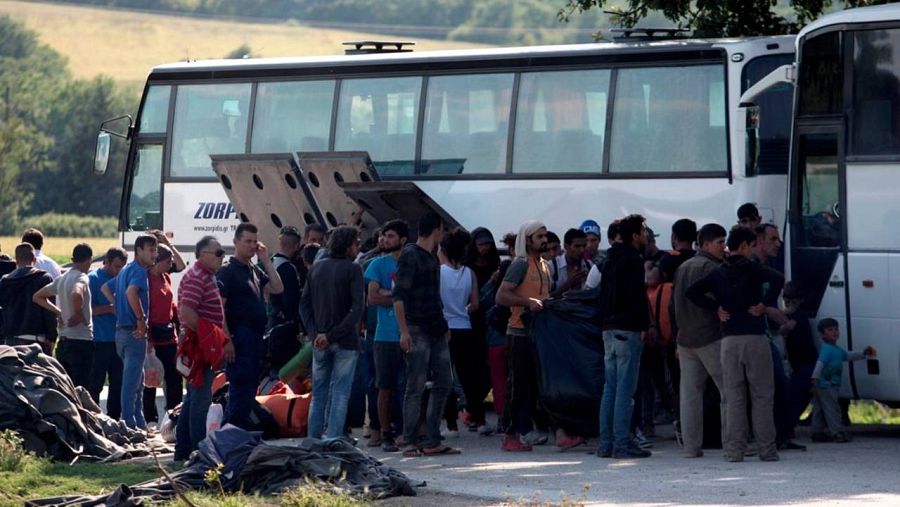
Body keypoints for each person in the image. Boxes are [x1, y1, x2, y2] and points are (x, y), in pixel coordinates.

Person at [686, 226, 782, 462]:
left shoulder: (719, 272)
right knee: (761, 395)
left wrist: (715, 308)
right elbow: (778, 279)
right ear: (744, 246)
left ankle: (734, 450)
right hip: (755, 338)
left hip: (729, 340)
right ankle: (766, 449)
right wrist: (764, 303)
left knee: (734, 396)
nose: (752, 250)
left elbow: (693, 292)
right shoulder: (753, 268)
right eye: (751, 246)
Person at [394, 211, 460, 457]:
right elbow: (399, 295)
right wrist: (403, 331)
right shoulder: (411, 255)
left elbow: (433, 296)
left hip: (435, 327)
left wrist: (443, 325)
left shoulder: (431, 257)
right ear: (436, 231)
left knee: (444, 382)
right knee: (416, 384)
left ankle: (432, 439)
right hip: (418, 328)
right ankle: (410, 439)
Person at [216, 223, 284, 430]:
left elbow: (277, 287)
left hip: (255, 336)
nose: (252, 245)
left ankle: (238, 436)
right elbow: (219, 309)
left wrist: (265, 259)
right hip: (239, 335)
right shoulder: (227, 271)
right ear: (236, 242)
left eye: (255, 241)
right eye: (247, 241)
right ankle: (229, 437)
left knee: (249, 389)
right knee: (239, 389)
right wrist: (226, 340)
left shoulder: (253, 269)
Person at [301, 226, 364, 441]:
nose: (358, 248)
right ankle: (333, 441)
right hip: (344, 341)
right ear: (348, 246)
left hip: (319, 340)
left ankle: (313, 440)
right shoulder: (353, 269)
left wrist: (315, 333)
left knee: (318, 395)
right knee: (340, 394)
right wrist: (332, 335)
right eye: (356, 243)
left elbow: (304, 305)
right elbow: (357, 308)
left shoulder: (316, 268)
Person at [597, 214, 652, 459]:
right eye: (644, 231)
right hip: (627, 328)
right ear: (635, 235)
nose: (647, 235)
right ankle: (622, 442)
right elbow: (636, 297)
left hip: (608, 328)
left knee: (610, 387)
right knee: (625, 390)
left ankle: (606, 442)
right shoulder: (633, 259)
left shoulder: (609, 259)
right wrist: (644, 325)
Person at [496, 220, 553, 452]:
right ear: (528, 240)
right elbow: (502, 296)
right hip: (519, 333)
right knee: (517, 386)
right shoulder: (519, 265)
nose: (544, 240)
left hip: (539, 333)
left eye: (545, 236)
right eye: (539, 237)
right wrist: (527, 303)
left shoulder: (543, 264)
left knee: (537, 386)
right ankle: (509, 434)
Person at [672, 223, 727, 458]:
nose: (724, 247)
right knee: (729, 391)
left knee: (689, 396)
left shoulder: (683, 266)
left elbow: (672, 305)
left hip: (685, 339)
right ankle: (733, 442)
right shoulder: (710, 268)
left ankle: (690, 448)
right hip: (710, 337)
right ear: (705, 244)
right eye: (720, 242)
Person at [174, 236, 229, 461]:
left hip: (199, 343)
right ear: (202, 254)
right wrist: (210, 339)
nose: (221, 257)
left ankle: (183, 450)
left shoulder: (207, 276)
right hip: (198, 345)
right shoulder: (198, 277)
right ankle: (197, 452)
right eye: (218, 253)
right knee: (200, 399)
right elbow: (187, 312)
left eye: (222, 253)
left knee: (193, 398)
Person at [440, 228, 492, 436]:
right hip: (465, 327)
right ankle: (479, 420)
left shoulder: (439, 272)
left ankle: (451, 424)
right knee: (470, 377)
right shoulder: (469, 273)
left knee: (447, 377)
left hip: (446, 329)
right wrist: (463, 310)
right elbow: (475, 305)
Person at [104, 234, 157, 430]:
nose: (154, 254)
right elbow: (130, 292)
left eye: (155, 250)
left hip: (121, 332)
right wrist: (140, 320)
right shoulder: (139, 272)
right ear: (139, 250)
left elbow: (105, 288)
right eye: (151, 250)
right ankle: (128, 425)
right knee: (131, 383)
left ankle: (139, 422)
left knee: (138, 379)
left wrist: (118, 308)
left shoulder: (125, 270)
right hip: (133, 333)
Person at [364, 220, 409, 452]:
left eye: (390, 236)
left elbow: (417, 296)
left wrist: (387, 292)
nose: (385, 240)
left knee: (409, 386)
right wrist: (399, 295)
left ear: (402, 239)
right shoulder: (377, 264)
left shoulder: (412, 263)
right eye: (384, 235)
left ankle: (405, 431)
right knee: (385, 387)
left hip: (409, 334)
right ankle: (386, 433)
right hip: (384, 336)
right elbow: (372, 298)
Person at [33, 243, 94, 389]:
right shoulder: (82, 277)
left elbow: (37, 296)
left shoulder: (63, 278)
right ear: (88, 260)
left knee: (67, 388)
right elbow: (76, 293)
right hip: (81, 341)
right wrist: (78, 313)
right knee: (82, 388)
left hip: (64, 342)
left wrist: (58, 312)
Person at [810, 319, 876, 443]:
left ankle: (817, 432)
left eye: (836, 329)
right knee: (832, 408)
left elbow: (847, 356)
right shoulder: (827, 350)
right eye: (830, 330)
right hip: (826, 385)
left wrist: (863, 354)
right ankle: (837, 433)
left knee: (819, 408)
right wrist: (814, 377)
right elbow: (820, 364)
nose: (834, 332)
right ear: (822, 334)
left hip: (822, 384)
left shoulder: (836, 350)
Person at [142, 241, 186, 426]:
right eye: (168, 262)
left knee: (174, 378)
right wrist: (149, 338)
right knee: (151, 378)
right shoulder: (146, 279)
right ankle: (150, 418)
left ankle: (173, 415)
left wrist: (178, 321)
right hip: (153, 335)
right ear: (158, 261)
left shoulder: (165, 277)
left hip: (169, 334)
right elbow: (147, 309)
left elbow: (170, 303)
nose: (171, 266)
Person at [87, 247, 127, 419]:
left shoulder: (122, 279)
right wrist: (110, 309)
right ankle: (93, 419)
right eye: (116, 266)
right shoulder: (93, 279)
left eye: (122, 267)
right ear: (106, 262)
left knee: (118, 383)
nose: (118, 271)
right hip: (99, 339)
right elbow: (87, 310)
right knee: (95, 384)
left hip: (118, 340)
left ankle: (114, 419)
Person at [0, 243, 57, 354]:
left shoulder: (5, 281)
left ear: (16, 261)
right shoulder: (44, 279)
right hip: (36, 342)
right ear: (34, 259)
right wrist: (52, 337)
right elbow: (49, 312)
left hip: (10, 342)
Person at [269, 226, 302, 330]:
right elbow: (291, 298)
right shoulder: (288, 268)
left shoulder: (270, 263)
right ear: (296, 246)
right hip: (285, 320)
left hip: (271, 315)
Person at [549, 228, 591, 298]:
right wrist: (568, 284)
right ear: (566, 246)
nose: (582, 250)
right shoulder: (552, 266)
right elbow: (544, 298)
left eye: (584, 246)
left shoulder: (589, 265)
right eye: (577, 246)